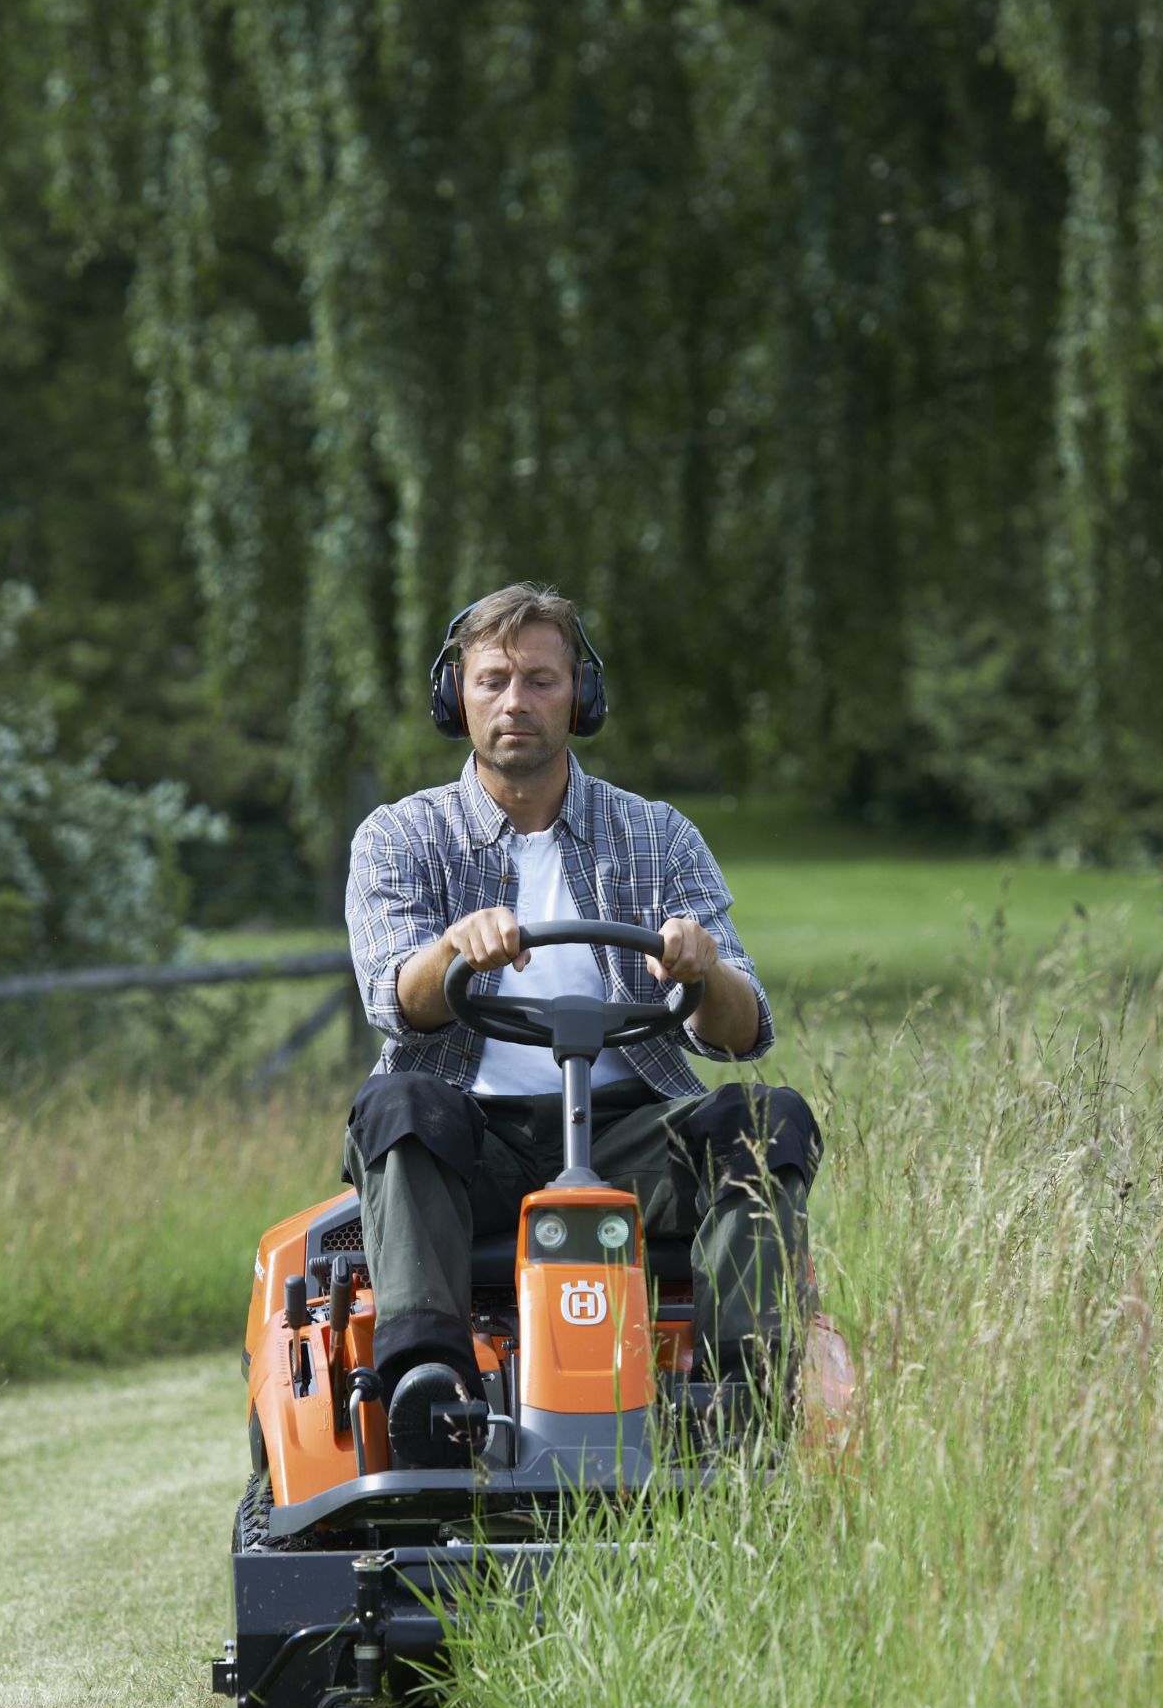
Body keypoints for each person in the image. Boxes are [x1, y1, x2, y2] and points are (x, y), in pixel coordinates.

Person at [340, 581, 819, 1406]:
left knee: (764, 1115)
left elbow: (741, 1034)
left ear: (581, 696)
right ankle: (428, 1386)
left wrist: (703, 972)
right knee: (399, 1104)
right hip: (468, 1136)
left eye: (541, 679)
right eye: (493, 679)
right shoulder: (400, 835)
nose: (515, 701)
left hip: (629, 1126)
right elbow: (395, 998)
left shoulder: (658, 833)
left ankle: (747, 1385)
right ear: (458, 696)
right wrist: (453, 947)